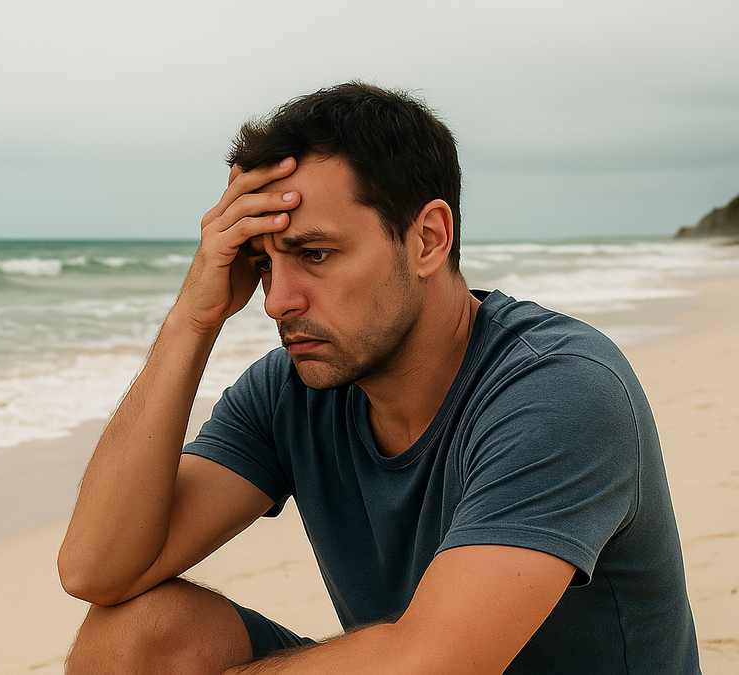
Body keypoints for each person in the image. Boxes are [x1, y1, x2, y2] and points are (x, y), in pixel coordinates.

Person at [56, 82, 699, 674]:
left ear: (427, 239)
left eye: (314, 254)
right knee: (134, 636)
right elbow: (99, 570)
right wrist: (192, 319)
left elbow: (436, 661)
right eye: (261, 262)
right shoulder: (292, 392)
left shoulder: (558, 388)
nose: (277, 300)